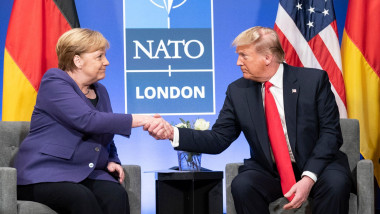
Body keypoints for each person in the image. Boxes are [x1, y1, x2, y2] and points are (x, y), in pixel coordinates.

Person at [146, 26, 352, 214]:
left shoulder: (313, 81)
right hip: (271, 170)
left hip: (319, 165)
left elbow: (330, 135)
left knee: (336, 183)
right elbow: (218, 139)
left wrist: (308, 178)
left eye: (244, 56)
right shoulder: (238, 91)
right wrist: (173, 133)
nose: (238, 62)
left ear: (268, 57)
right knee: (243, 185)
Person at [14, 28, 171, 214]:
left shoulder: (101, 91)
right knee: (80, 197)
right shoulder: (54, 81)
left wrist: (113, 159)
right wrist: (141, 119)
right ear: (77, 60)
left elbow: (106, 131)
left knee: (116, 194)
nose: (106, 62)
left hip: (84, 172)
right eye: (99, 56)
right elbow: (88, 120)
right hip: (43, 173)